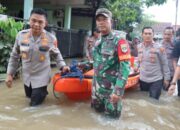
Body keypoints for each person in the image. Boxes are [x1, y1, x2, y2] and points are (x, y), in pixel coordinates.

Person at [5, 8, 70, 106]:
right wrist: (10, 74)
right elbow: (14, 56)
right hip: (27, 77)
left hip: (41, 77)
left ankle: (41, 92)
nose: (36, 24)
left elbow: (56, 54)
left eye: (40, 22)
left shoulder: (51, 38)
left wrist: (63, 66)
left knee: (33, 106)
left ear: (45, 23)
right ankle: (42, 94)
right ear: (29, 20)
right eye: (33, 20)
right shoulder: (21, 36)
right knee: (29, 97)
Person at [91, 8, 131, 118]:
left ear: (111, 21)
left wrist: (118, 91)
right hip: (96, 90)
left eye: (104, 19)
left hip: (111, 92)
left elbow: (125, 68)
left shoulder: (120, 41)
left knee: (111, 123)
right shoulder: (98, 41)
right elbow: (97, 62)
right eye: (99, 20)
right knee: (95, 118)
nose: (101, 22)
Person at [137, 26, 170, 100]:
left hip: (156, 80)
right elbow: (138, 60)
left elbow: (165, 63)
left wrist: (167, 79)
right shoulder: (139, 46)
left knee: (153, 101)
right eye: (145, 33)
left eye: (150, 33)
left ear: (153, 35)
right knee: (143, 100)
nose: (148, 35)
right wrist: (135, 67)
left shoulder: (160, 48)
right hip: (143, 79)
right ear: (142, 35)